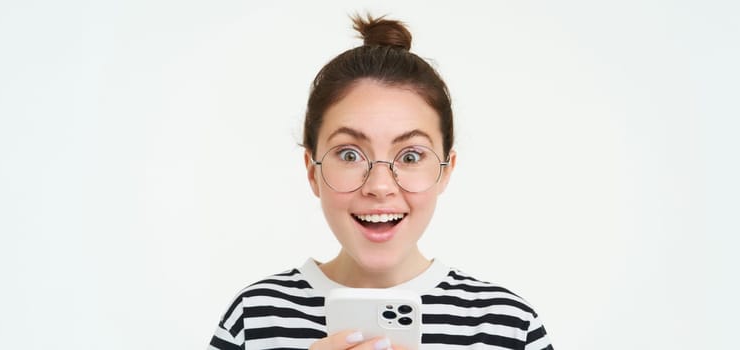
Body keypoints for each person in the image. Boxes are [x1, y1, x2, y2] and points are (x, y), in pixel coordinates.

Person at [208, 14, 553, 350]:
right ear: (312, 171)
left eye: (411, 156)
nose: (380, 185)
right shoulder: (253, 319)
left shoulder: (508, 326)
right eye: (349, 154)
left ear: (446, 171)